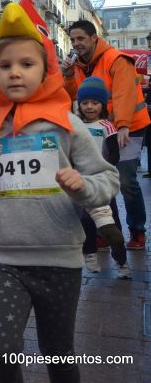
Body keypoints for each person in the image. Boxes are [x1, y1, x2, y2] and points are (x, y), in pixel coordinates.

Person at [0, 4, 122, 383]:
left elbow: (106, 179)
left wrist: (83, 185)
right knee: (0, 351)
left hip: (59, 259)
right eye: (5, 65)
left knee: (57, 352)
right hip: (6, 259)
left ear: (46, 70)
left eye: (26, 63)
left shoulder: (67, 124)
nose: (15, 72)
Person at [61, 19, 150, 250]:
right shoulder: (79, 66)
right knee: (97, 178)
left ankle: (137, 230)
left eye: (80, 38)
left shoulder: (116, 59)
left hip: (129, 126)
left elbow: (124, 93)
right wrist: (68, 75)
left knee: (126, 181)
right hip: (101, 128)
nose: (76, 43)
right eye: (72, 40)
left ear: (94, 38)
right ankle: (104, 231)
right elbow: (71, 95)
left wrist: (122, 125)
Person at [76, 77, 130, 278]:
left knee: (112, 226)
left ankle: (122, 262)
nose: (89, 107)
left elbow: (114, 154)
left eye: (95, 103)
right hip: (82, 184)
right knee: (85, 221)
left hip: (102, 183)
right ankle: (89, 254)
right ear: (79, 104)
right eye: (85, 103)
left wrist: (103, 170)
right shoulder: (75, 125)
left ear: (102, 105)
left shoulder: (107, 126)